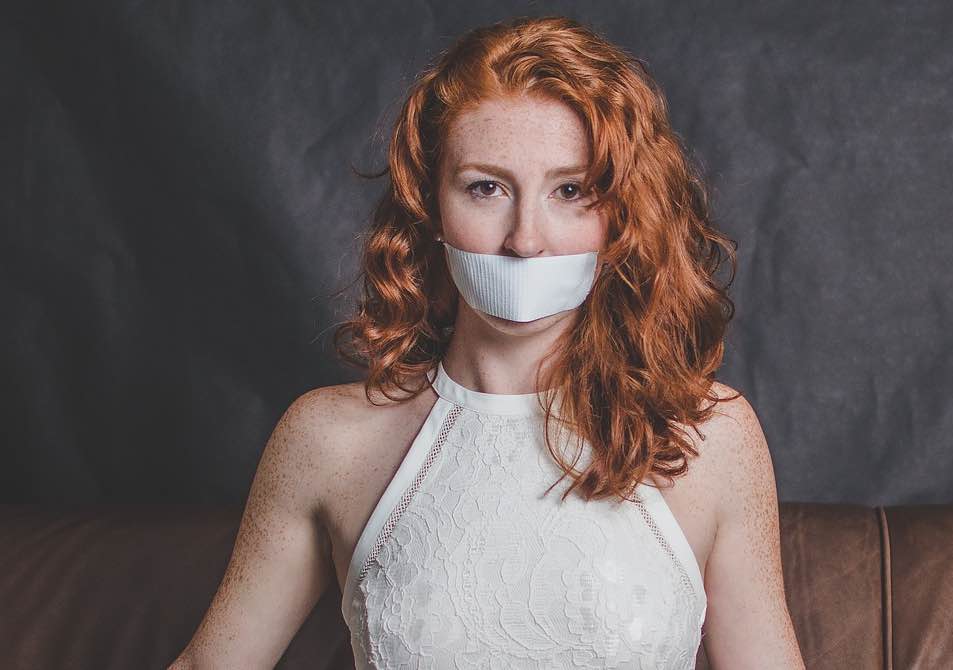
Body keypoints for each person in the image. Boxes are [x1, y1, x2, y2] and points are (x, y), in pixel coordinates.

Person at [169, 15, 806, 670]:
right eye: (486, 188)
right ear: (431, 206)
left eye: (570, 191)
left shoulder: (709, 437)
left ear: (622, 214)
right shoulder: (329, 441)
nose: (525, 240)